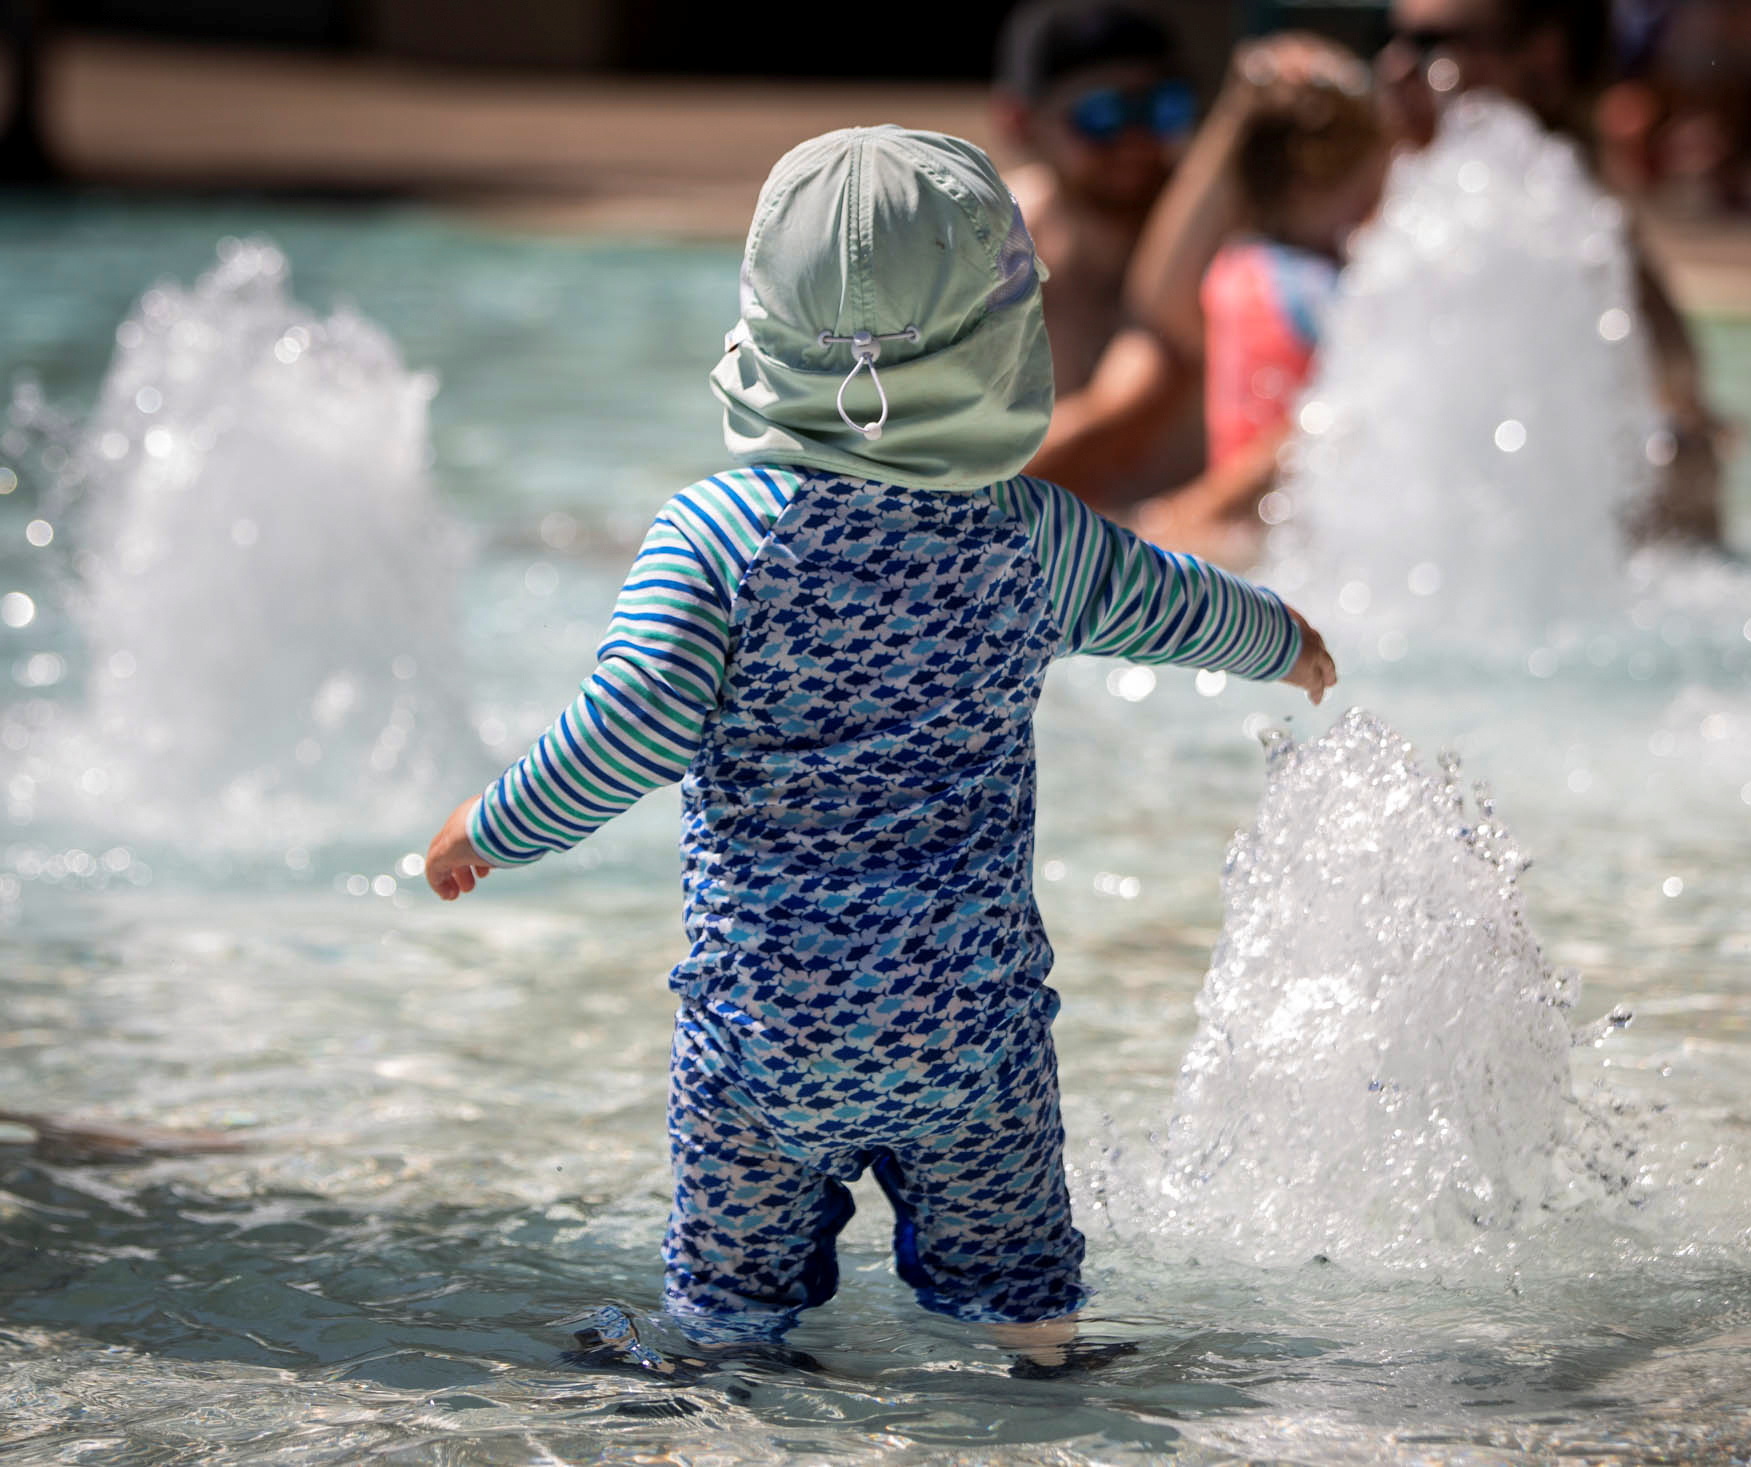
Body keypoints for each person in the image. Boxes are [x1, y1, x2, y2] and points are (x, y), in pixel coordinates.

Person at [419, 126, 1336, 1381]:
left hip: (763, 1030)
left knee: (727, 1308)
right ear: (1007, 340)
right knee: (1024, 1285)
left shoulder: (713, 536)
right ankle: (1046, 1365)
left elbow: (626, 729)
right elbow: (1177, 601)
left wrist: (491, 823)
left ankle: (727, 1372)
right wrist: (1283, 640)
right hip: (971, 1027)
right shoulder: (1035, 537)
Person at [1379, 0, 1728, 545]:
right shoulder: (1407, 213)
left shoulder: (1563, 246)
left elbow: (1686, 462)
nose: (1394, 66)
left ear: (1544, 56)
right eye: (1392, 38)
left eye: (1432, 45)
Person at [1127, 37, 1390, 567]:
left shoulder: (1234, 270)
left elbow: (1156, 298)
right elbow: (1345, 413)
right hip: (1274, 527)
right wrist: (1205, 508)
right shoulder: (1323, 287)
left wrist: (1237, 114)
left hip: (1246, 530)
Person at [992, 0, 1210, 511]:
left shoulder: (1217, 238)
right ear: (1019, 122)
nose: (1136, 140)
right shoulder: (985, 246)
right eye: (1102, 114)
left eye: (1163, 108)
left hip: (1188, 565)